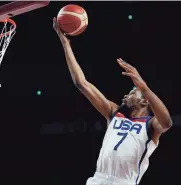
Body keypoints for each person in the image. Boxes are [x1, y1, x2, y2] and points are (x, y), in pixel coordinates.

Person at [53, 17, 173, 185]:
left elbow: (167, 122)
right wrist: (66, 45)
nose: (125, 96)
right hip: (98, 179)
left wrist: (143, 87)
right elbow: (81, 83)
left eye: (132, 92)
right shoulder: (114, 113)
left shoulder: (151, 126)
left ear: (145, 101)